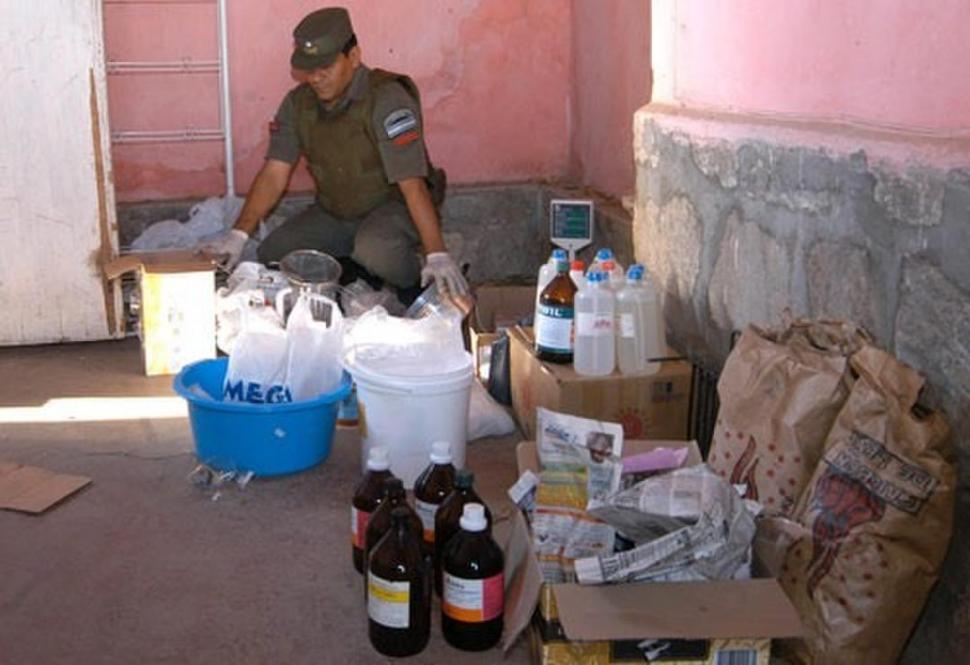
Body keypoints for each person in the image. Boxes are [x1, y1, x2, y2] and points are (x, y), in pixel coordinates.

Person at [201, 7, 467, 296]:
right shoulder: (298, 104)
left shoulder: (387, 98)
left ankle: (420, 283)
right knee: (274, 254)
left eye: (325, 67)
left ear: (353, 57)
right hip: (337, 212)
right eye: (309, 69)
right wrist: (238, 236)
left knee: (376, 251)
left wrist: (436, 253)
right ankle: (354, 272)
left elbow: (412, 185)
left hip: (392, 207)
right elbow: (275, 173)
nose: (315, 78)